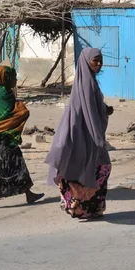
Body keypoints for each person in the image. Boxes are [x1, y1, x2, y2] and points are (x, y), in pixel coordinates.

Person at [45, 48, 114, 219]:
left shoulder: (87, 80)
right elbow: (90, 112)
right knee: (102, 167)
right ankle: (81, 207)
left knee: (82, 168)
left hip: (82, 132)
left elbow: (91, 108)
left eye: (100, 60)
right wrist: (98, 138)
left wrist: (105, 110)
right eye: (95, 60)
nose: (98, 64)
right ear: (86, 61)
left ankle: (82, 207)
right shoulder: (87, 84)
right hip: (87, 134)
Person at [0, 65, 44, 210]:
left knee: (17, 164)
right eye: (12, 77)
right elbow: (6, 115)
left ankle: (28, 193)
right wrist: (22, 109)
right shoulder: (4, 93)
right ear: (4, 79)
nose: (15, 80)